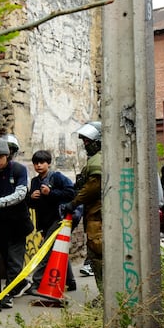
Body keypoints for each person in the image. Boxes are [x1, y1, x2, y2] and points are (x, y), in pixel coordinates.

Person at [0, 138, 34, 308]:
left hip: (18, 223)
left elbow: (21, 193)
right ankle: (22, 283)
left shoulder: (19, 169)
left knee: (14, 260)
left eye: (0, 157)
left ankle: (8, 295)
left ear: (7, 155)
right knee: (5, 257)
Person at [26, 150, 76, 294]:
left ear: (48, 163)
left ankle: (36, 283)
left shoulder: (57, 177)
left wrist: (51, 193)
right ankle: (70, 281)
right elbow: (32, 205)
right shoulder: (35, 181)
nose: (39, 166)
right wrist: (31, 198)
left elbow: (71, 193)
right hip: (44, 222)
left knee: (45, 252)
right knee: (58, 248)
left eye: (42, 163)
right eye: (36, 163)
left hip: (59, 220)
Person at [62, 121, 103, 293]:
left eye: (88, 141)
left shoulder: (98, 161)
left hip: (99, 218)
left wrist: (73, 203)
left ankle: (106, 297)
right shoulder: (100, 158)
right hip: (95, 216)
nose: (85, 145)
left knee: (99, 258)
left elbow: (92, 187)